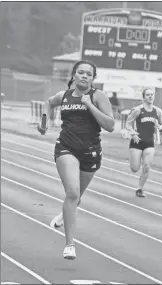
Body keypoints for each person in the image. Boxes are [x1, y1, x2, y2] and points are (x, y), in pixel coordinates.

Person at [37, 60, 115, 260]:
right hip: (66, 147)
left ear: (93, 78)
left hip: (90, 151)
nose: (85, 76)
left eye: (89, 74)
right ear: (74, 75)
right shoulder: (64, 96)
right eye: (81, 72)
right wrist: (44, 121)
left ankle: (65, 214)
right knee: (72, 194)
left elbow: (110, 125)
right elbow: (48, 102)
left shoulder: (98, 97)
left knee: (77, 196)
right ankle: (70, 245)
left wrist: (90, 105)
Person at [125, 88, 162, 197]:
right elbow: (128, 124)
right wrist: (133, 133)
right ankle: (133, 160)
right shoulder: (137, 110)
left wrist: (160, 127)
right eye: (148, 95)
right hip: (137, 142)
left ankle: (140, 189)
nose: (150, 96)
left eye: (152, 94)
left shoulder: (157, 111)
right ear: (143, 97)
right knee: (135, 168)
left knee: (147, 166)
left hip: (149, 143)